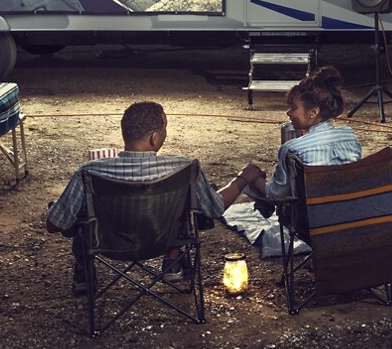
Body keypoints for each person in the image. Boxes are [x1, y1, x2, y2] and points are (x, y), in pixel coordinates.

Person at [45, 101, 259, 293]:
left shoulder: (89, 172)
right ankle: (173, 262)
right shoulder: (183, 168)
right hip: (163, 241)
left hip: (108, 245)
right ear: (154, 138)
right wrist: (242, 179)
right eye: (164, 128)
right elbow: (214, 208)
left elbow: (55, 223)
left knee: (82, 214)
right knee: (184, 206)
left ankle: (85, 272)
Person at [238, 65, 362, 202]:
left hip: (315, 218)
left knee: (251, 183)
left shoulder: (292, 149)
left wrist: (254, 179)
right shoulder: (350, 135)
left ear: (313, 112)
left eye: (293, 108)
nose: (288, 113)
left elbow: (275, 194)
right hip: (350, 213)